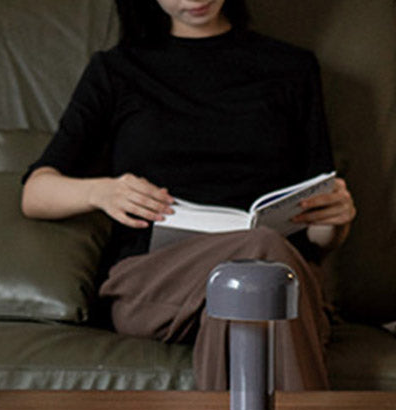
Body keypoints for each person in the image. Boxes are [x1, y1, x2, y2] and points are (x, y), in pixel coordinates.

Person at [21, 0, 357, 390]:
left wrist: (336, 220)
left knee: (248, 284)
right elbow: (35, 192)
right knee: (260, 258)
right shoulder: (118, 70)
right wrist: (102, 191)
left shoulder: (292, 68)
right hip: (157, 281)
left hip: (279, 274)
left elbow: (318, 232)